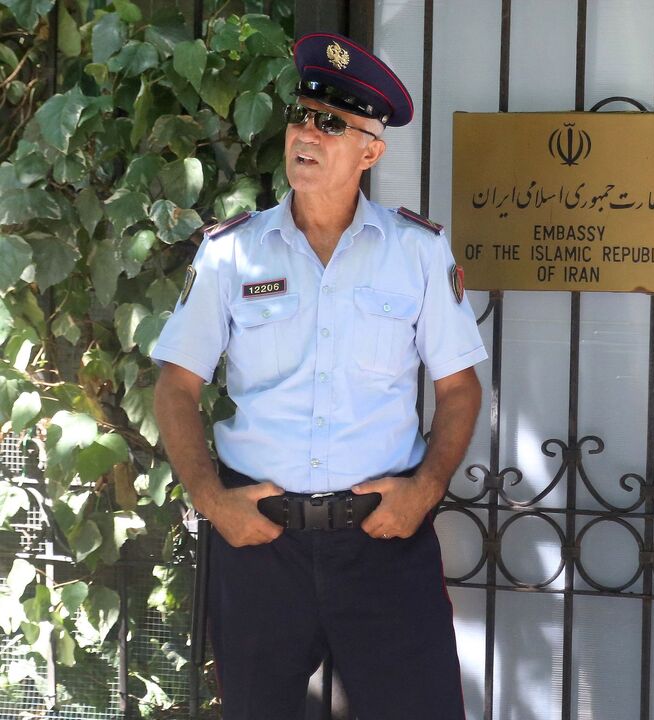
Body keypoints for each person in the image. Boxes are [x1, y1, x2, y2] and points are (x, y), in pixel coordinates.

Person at [151, 32, 484, 719]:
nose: (308, 131)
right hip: (261, 544)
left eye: (332, 123)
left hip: (383, 543)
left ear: (370, 150)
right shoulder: (230, 254)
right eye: (302, 115)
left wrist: (424, 492)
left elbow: (459, 388)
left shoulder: (416, 253)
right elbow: (176, 386)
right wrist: (214, 502)